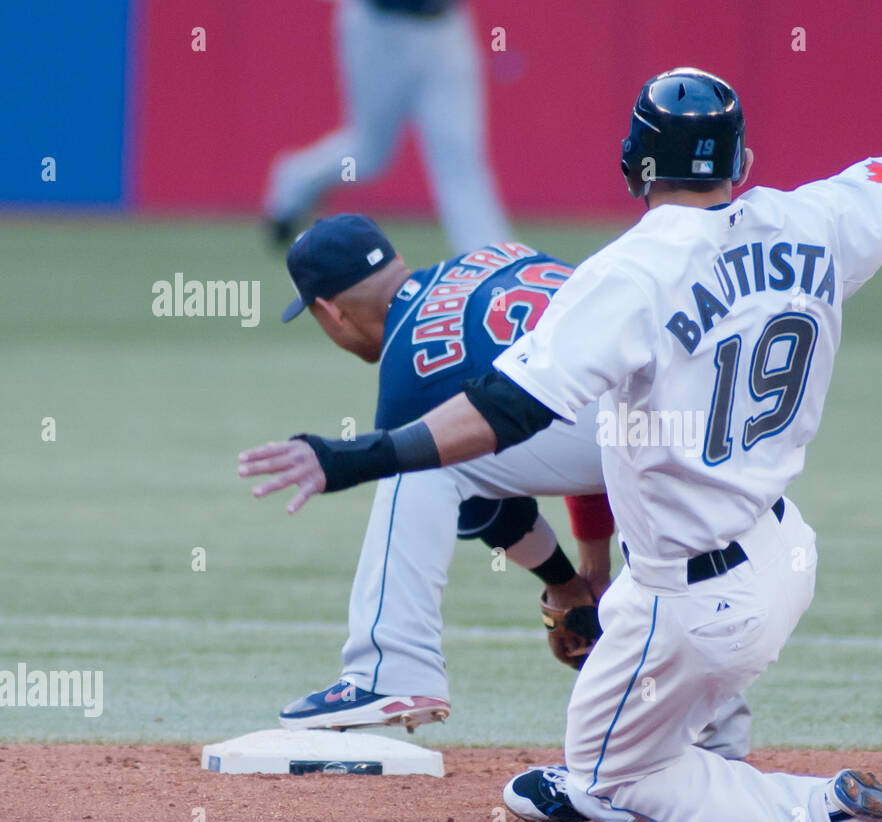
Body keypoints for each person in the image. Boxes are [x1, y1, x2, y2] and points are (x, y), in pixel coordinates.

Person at [239, 9, 882, 822]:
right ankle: (688, 741)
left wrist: (354, 457)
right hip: (777, 551)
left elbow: (510, 412)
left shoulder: (630, 272)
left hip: (689, 590)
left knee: (599, 773)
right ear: (742, 162)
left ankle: (820, 805)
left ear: (635, 165)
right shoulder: (820, 217)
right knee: (592, 724)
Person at [262, 213, 753, 758]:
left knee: (415, 459)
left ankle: (391, 670)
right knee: (673, 569)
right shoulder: (494, 256)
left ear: (329, 312)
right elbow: (574, 394)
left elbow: (491, 508)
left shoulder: (409, 365)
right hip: (720, 402)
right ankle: (714, 738)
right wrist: (591, 574)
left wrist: (562, 584)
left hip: (633, 420)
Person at [263, 0, 509, 253]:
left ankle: (491, 260)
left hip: (446, 26)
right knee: (368, 155)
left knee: (460, 154)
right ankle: (297, 180)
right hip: (380, 27)